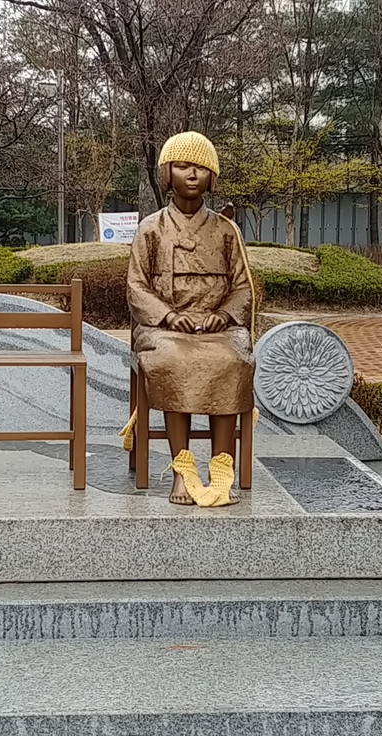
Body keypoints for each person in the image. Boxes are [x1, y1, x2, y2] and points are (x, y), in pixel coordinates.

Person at [126, 131, 255, 506]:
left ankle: (221, 467)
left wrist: (225, 314)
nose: (192, 175)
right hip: (163, 330)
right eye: (182, 166)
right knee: (174, 361)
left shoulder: (227, 230)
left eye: (200, 167)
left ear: (212, 176)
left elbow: (244, 287)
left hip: (218, 329)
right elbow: (136, 286)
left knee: (230, 361)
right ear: (167, 173)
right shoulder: (150, 228)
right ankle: (183, 469)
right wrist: (167, 316)